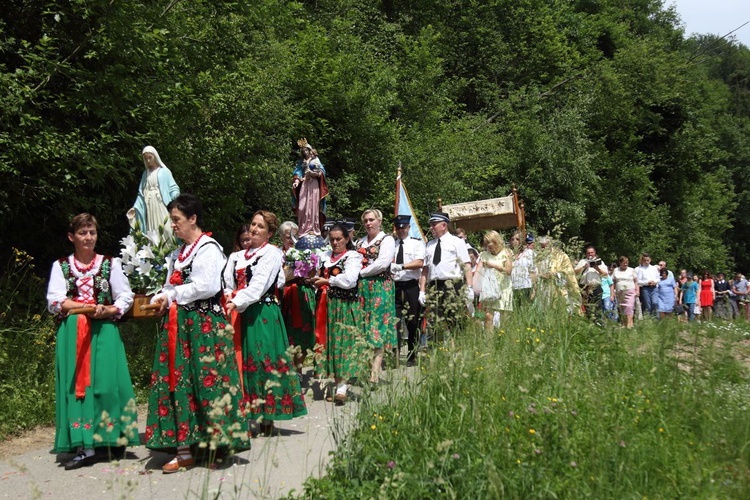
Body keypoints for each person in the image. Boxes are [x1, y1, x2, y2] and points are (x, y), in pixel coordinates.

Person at [147, 194, 248, 473]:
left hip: (204, 324)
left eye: (177, 220)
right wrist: (161, 297)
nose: (173, 225)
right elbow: (170, 286)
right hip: (180, 324)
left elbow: (206, 285)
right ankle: (184, 449)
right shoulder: (178, 254)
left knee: (208, 382)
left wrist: (174, 294)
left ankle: (216, 444)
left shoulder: (209, 248)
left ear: (193, 219)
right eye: (172, 220)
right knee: (179, 381)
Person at [46, 213, 138, 470]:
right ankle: (84, 444)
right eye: (83, 233)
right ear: (71, 236)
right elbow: (55, 300)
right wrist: (85, 307)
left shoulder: (110, 263)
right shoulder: (61, 266)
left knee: (108, 386)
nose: (88, 237)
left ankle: (111, 439)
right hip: (73, 332)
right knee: (79, 388)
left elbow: (124, 296)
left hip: (104, 330)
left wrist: (108, 310)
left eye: (92, 233)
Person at [224, 211, 307, 437]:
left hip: (262, 313)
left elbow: (259, 285)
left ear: (270, 233)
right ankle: (247, 413)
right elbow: (227, 282)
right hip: (239, 312)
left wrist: (236, 300)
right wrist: (229, 297)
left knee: (262, 361)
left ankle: (267, 414)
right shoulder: (236, 257)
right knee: (241, 361)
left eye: (260, 227)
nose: (254, 229)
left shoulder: (271, 254)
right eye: (252, 224)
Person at [311, 223, 365, 404]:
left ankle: (342, 387)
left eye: (338, 239)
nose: (335, 243)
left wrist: (327, 280)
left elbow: (349, 280)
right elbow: (316, 273)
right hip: (326, 304)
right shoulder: (324, 256)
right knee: (330, 343)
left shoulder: (353, 256)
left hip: (344, 304)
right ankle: (335, 383)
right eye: (332, 239)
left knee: (344, 343)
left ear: (347, 239)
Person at [356, 209, 397, 384]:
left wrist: (361, 272)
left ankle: (374, 372)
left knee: (378, 326)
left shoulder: (386, 239)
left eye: (371, 220)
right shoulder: (360, 241)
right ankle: (367, 368)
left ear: (379, 221)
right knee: (363, 326)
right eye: (365, 220)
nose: (368, 223)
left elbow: (382, 263)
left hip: (380, 286)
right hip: (362, 287)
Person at [419, 212, 473, 342]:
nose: (431, 228)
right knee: (436, 320)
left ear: (443, 225)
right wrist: (422, 290)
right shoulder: (429, 245)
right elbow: (425, 269)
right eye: (431, 225)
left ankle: (459, 349)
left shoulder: (456, 242)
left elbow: (466, 265)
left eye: (434, 225)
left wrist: (469, 287)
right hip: (434, 286)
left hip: (452, 284)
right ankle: (441, 349)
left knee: (455, 318)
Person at [390, 215, 425, 367]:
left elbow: (419, 262)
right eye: (398, 228)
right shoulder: (392, 244)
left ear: (408, 228)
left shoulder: (416, 244)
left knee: (413, 321)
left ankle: (412, 354)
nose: (400, 230)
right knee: (394, 321)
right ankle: (394, 355)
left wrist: (402, 266)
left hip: (411, 285)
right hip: (395, 285)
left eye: (403, 227)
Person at [127, 146, 180, 236]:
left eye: (150, 157)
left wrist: (175, 195)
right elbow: (141, 193)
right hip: (150, 204)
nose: (148, 160)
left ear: (155, 156)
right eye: (146, 158)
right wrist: (135, 207)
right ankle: (155, 248)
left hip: (162, 202)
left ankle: (170, 247)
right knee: (152, 229)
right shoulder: (145, 174)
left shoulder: (164, 171)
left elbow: (173, 187)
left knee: (167, 228)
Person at [477, 230, 513, 331]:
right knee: (488, 316)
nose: (488, 245)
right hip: (489, 289)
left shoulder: (506, 252)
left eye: (490, 242)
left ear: (496, 241)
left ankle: (505, 341)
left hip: (504, 288)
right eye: (486, 243)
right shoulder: (483, 255)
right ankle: (489, 344)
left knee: (505, 318)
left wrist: (494, 266)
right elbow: (478, 272)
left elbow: (509, 271)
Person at [292, 138, 329, 236]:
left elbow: (322, 172)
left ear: (310, 150)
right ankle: (303, 228)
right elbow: (298, 172)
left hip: (314, 185)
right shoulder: (302, 161)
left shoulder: (316, 160)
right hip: (304, 184)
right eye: (303, 151)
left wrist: (314, 173)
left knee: (313, 206)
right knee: (302, 207)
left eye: (306, 150)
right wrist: (296, 181)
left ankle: (313, 228)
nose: (305, 152)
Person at [534, 236, 580, 314]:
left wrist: (554, 274)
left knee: (560, 312)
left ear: (550, 244)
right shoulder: (538, 258)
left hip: (558, 288)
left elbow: (568, 272)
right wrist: (539, 276)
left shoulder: (561, 256)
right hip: (542, 289)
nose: (544, 249)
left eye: (546, 246)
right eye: (542, 246)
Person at [574, 245, 608, 321]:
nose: (590, 254)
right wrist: (584, 267)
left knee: (597, 306)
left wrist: (597, 268)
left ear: (595, 253)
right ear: (586, 254)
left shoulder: (600, 262)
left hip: (596, 287)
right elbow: (574, 272)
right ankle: (587, 322)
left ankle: (597, 323)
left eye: (592, 252)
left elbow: (606, 274)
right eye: (588, 253)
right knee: (585, 307)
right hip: (584, 287)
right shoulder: (582, 261)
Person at [510, 232, 537, 308]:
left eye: (517, 239)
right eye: (512, 239)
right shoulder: (509, 254)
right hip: (513, 287)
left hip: (526, 286)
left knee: (526, 310)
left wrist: (534, 289)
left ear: (522, 241)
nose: (514, 241)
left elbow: (533, 271)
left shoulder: (529, 253)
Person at [612, 256, 638, 328]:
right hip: (619, 291)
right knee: (622, 307)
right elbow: (613, 281)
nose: (625, 264)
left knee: (629, 307)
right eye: (624, 263)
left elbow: (636, 281)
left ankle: (629, 324)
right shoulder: (616, 270)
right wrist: (613, 292)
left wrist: (637, 290)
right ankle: (624, 323)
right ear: (620, 263)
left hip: (630, 290)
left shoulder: (631, 270)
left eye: (627, 263)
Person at [636, 253, 660, 317]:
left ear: (650, 260)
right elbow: (639, 281)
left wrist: (654, 282)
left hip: (654, 288)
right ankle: (649, 317)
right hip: (646, 288)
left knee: (655, 302)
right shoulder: (641, 269)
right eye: (645, 260)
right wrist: (647, 282)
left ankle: (656, 317)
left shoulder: (654, 268)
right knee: (648, 305)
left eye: (648, 260)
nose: (646, 262)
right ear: (643, 261)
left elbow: (658, 278)